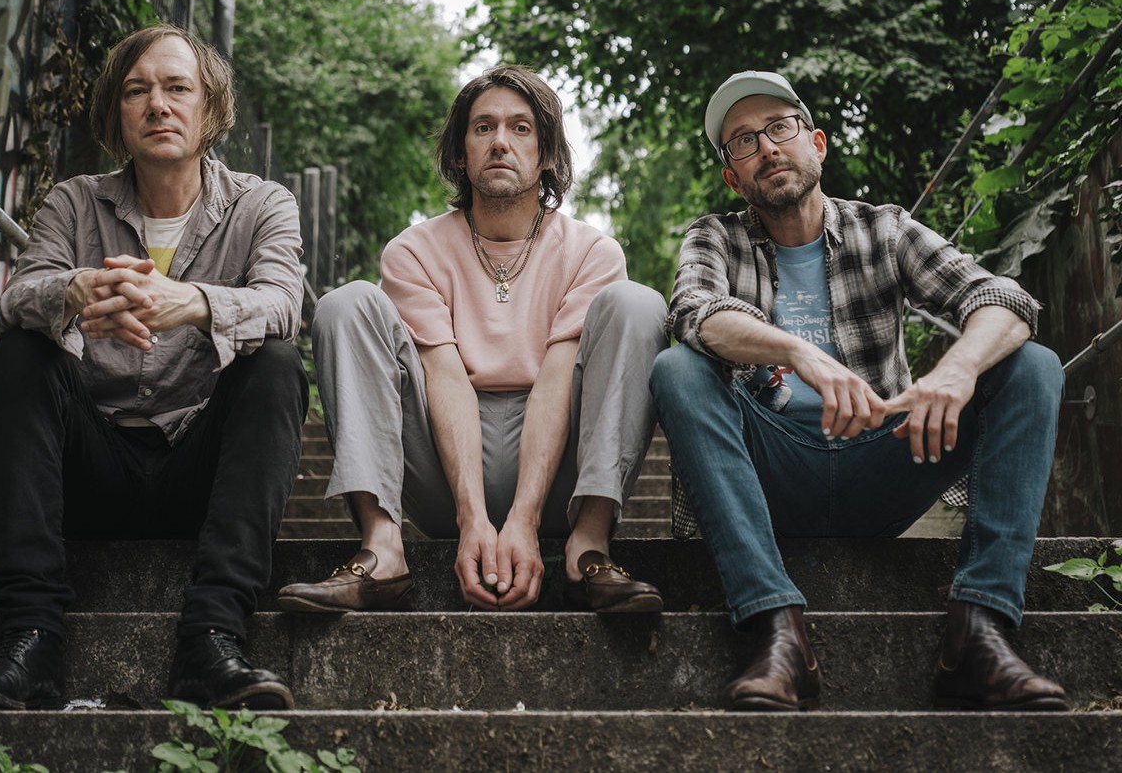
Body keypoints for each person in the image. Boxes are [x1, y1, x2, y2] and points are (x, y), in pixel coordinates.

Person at [649, 70, 1068, 712]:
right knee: (677, 369)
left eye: (780, 128)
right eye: (744, 141)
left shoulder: (885, 229)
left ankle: (978, 631)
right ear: (734, 177)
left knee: (1033, 365)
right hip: (772, 470)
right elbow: (694, 313)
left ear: (817, 144)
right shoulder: (716, 237)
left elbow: (1003, 299)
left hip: (885, 457)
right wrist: (798, 352)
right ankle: (776, 632)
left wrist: (955, 370)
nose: (767, 147)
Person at [0, 24, 307, 712]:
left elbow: (284, 304)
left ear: (210, 108)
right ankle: (30, 639)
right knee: (17, 351)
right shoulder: (74, 202)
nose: (158, 104)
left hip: (199, 474)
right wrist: (74, 290)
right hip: (92, 469)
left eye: (177, 88)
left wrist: (193, 303)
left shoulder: (262, 204)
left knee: (278, 365)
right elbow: (13, 299)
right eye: (138, 91)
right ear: (118, 113)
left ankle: (213, 638)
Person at [277, 65, 666, 614]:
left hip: (559, 469)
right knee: (347, 303)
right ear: (462, 154)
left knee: (638, 304)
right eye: (483, 128)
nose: (500, 142)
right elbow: (444, 376)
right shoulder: (414, 252)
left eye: (520, 128)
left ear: (547, 154)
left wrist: (525, 519)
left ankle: (589, 549)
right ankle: (383, 549)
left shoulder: (591, 253)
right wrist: (472, 518)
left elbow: (558, 380)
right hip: (442, 463)